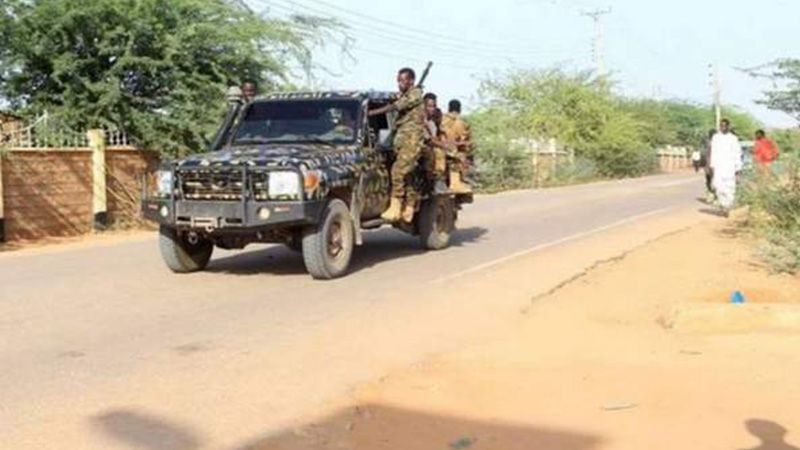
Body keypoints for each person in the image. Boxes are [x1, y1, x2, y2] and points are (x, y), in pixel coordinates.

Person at [368, 67, 425, 222]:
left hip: (411, 141)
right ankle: (410, 206)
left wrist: (373, 113)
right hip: (402, 141)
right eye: (398, 80)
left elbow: (396, 106)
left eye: (403, 80)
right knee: (408, 175)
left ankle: (396, 205)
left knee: (397, 171)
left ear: (411, 81)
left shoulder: (415, 94)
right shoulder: (405, 94)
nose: (400, 83)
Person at [441, 99, 474, 194]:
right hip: (453, 151)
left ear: (449, 108)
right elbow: (467, 140)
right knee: (463, 156)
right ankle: (458, 182)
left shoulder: (441, 119)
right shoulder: (462, 122)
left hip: (441, 148)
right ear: (460, 109)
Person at [710, 118, 743, 214]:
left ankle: (728, 206)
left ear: (728, 126)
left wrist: (738, 167)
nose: (723, 127)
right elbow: (713, 152)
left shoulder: (733, 138)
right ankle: (723, 204)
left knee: (729, 186)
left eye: (725, 126)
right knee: (718, 186)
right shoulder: (716, 137)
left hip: (730, 166)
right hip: (718, 166)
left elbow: (737, 153)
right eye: (721, 126)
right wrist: (712, 166)